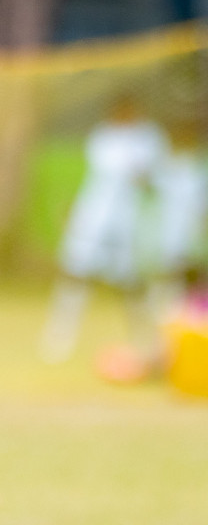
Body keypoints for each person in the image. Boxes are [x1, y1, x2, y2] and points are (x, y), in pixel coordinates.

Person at [40, 97, 166, 364]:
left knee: (131, 284)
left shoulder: (149, 137)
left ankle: (145, 342)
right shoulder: (103, 137)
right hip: (95, 217)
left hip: (127, 222)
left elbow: (149, 180)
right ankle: (58, 339)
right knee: (76, 275)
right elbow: (106, 173)